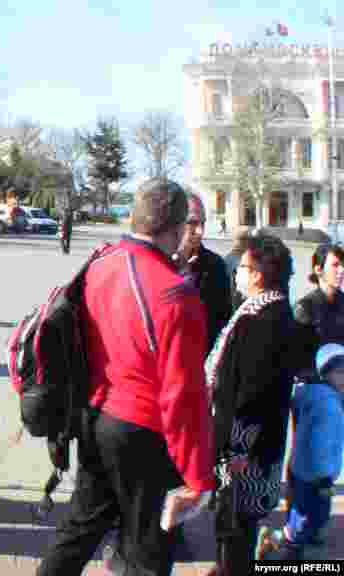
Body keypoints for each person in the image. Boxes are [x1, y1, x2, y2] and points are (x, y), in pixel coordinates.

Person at [37, 178, 216, 576]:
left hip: (98, 418)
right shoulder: (176, 294)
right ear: (176, 228)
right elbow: (182, 394)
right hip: (145, 432)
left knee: (79, 530)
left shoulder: (101, 263)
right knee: (147, 552)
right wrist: (199, 474)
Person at [205, 232, 296, 575]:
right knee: (235, 529)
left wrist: (236, 451)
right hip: (251, 448)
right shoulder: (268, 310)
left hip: (244, 452)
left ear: (258, 275)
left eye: (242, 267)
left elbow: (253, 395)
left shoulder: (261, 321)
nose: (237, 273)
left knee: (235, 530)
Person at [256, 343, 344, 562]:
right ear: (325, 374)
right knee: (310, 517)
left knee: (310, 515)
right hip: (316, 475)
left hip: (303, 469)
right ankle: (278, 542)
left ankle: (293, 540)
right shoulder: (327, 404)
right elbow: (321, 443)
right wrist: (324, 478)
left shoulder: (313, 394)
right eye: (340, 373)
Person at [173, 194, 232, 352]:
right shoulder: (154, 262)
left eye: (203, 223)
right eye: (192, 223)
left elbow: (222, 322)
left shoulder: (215, 266)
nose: (199, 231)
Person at [294, 243, 344, 379]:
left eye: (343, 264)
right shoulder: (305, 307)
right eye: (335, 265)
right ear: (318, 269)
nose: (341, 270)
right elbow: (297, 358)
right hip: (317, 383)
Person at [223, 227, 251, 312]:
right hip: (235, 301)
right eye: (243, 239)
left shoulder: (251, 257)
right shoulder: (229, 260)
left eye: (247, 239)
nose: (246, 242)